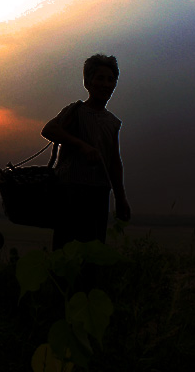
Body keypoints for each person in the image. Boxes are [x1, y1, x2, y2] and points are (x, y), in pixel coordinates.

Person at [41, 54, 131, 250]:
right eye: (100, 78)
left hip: (99, 193)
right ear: (88, 82)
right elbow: (49, 130)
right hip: (71, 191)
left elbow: (114, 162)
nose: (106, 84)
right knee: (67, 252)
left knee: (93, 251)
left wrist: (121, 198)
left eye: (110, 79)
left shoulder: (113, 122)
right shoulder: (76, 111)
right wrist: (81, 145)